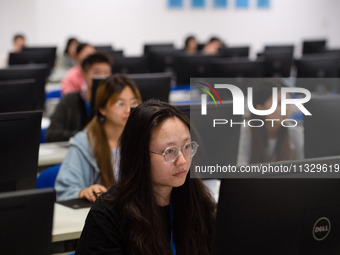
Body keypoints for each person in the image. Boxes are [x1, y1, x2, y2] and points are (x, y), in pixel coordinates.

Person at [76, 100, 216, 254]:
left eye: (187, 146)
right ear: (139, 156)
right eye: (169, 151)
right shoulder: (108, 216)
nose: (182, 160)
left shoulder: (197, 202)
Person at [55, 74, 142, 201]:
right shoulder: (84, 143)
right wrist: (84, 192)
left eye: (134, 102)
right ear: (102, 109)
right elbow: (65, 191)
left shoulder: (141, 138)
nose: (129, 109)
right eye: (120, 103)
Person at [45, 52, 112, 142]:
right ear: (84, 75)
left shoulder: (113, 102)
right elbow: (51, 134)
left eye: (107, 73)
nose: (103, 77)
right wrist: (85, 136)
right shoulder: (69, 100)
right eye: (97, 72)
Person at [237, 79, 304, 165]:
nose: (286, 108)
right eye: (279, 103)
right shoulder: (244, 135)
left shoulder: (294, 133)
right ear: (260, 109)